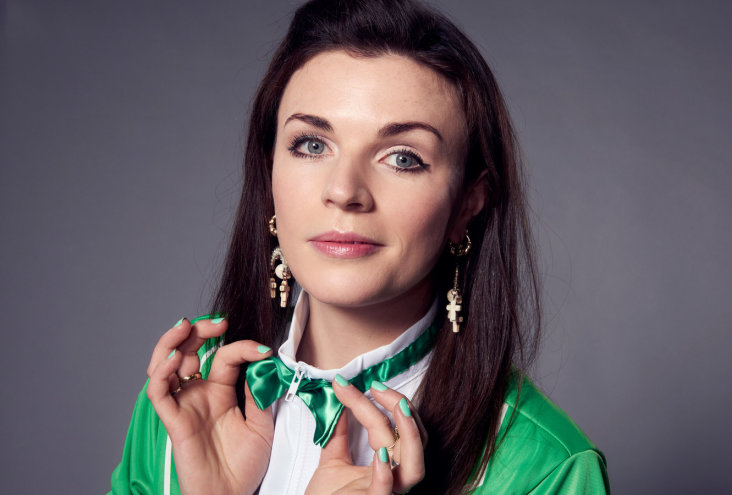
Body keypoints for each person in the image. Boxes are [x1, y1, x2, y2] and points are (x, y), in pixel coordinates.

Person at [109, 0, 609, 493]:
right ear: (270, 173)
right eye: (311, 145)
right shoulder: (187, 393)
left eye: (403, 158)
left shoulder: (546, 469)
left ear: (466, 205)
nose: (344, 190)